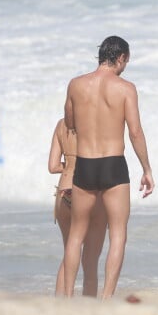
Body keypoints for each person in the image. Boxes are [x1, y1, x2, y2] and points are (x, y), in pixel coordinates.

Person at [63, 36, 154, 299]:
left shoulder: (76, 84)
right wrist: (146, 169)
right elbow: (135, 132)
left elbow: (70, 121)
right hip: (114, 164)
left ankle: (67, 297)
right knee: (117, 235)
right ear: (121, 57)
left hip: (85, 164)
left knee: (76, 235)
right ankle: (105, 298)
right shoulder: (126, 88)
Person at [48, 118, 107, 297]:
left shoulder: (61, 124)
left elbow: (53, 166)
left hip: (64, 192)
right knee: (90, 260)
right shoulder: (96, 122)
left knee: (69, 253)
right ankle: (88, 307)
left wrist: (70, 165)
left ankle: (60, 304)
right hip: (88, 191)